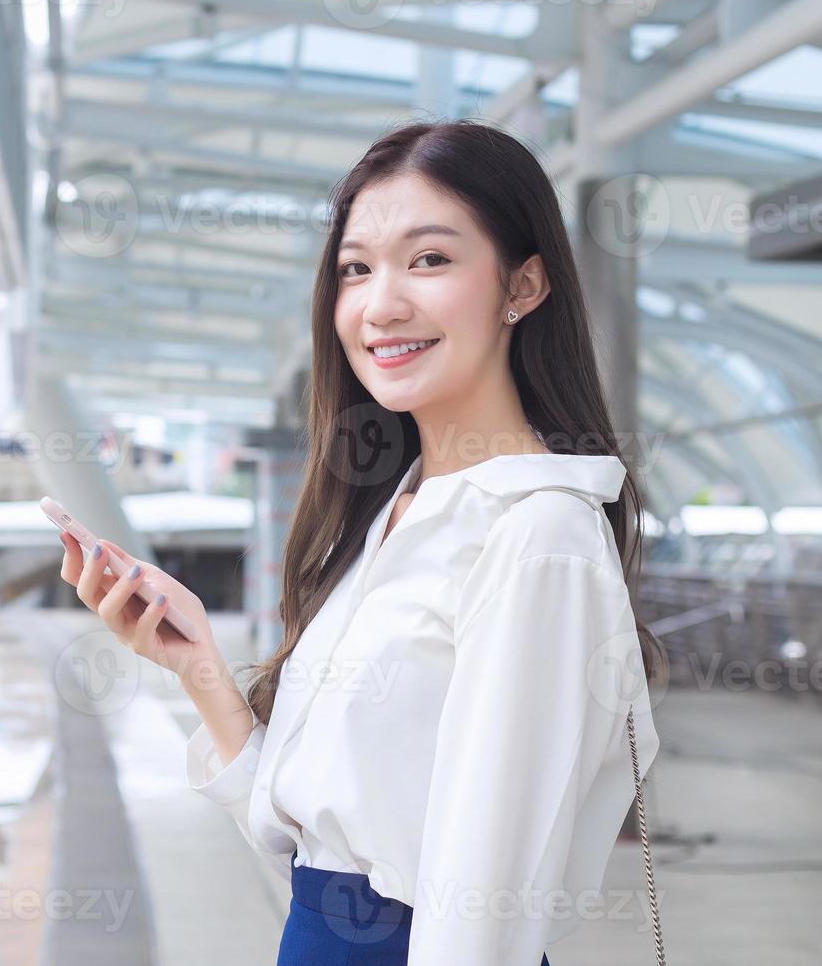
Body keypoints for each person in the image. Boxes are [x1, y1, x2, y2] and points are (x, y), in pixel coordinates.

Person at [57, 118, 665, 965]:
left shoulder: (538, 535)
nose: (382, 305)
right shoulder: (395, 511)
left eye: (430, 260)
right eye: (356, 268)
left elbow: (482, 908)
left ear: (523, 286)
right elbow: (304, 838)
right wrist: (195, 665)